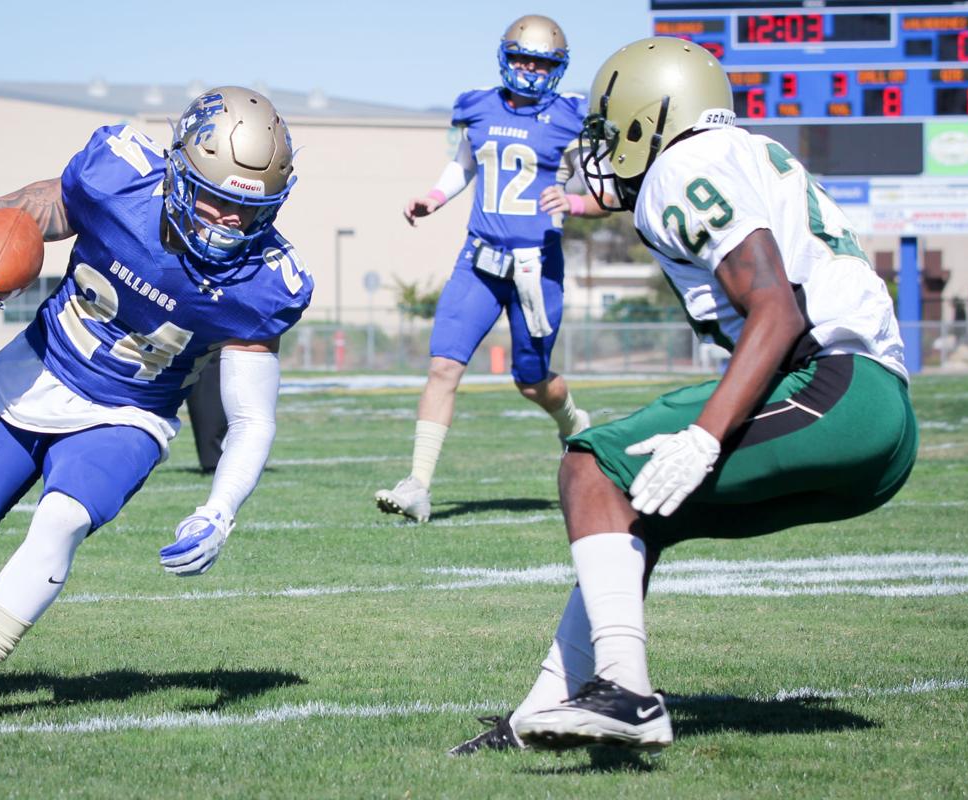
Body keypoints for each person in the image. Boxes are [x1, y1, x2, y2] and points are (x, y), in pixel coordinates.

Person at [451, 36, 917, 755]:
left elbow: (777, 310)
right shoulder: (745, 154)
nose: (603, 150)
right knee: (640, 513)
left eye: (610, 132)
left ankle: (630, 697)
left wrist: (704, 437)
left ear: (648, 118)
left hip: (836, 388)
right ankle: (545, 709)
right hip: (875, 417)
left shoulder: (684, 164)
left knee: (592, 465)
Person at [0, 86, 313, 732]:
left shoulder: (264, 283)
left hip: (129, 413)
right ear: (177, 173)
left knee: (61, 521)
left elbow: (253, 417)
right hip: (36, 372)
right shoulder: (118, 178)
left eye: (248, 211)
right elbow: (25, 209)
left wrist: (219, 512)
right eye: (218, 199)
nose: (229, 222)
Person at [374, 14, 610, 523]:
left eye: (541, 62)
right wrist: (434, 198)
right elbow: (464, 164)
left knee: (531, 382)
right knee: (443, 367)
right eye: (522, 57)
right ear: (505, 57)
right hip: (479, 260)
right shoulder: (478, 106)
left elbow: (610, 192)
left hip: (536, 265)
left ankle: (573, 420)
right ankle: (418, 484)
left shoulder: (571, 117)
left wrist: (575, 203)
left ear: (557, 68)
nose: (529, 69)